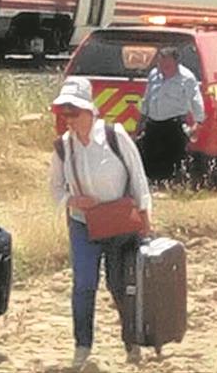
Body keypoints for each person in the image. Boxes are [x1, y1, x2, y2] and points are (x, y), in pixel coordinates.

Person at [50, 76, 152, 370]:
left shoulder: (114, 135)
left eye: (73, 111)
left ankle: (130, 341)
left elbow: (138, 178)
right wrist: (71, 201)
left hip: (119, 222)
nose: (68, 118)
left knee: (120, 285)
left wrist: (145, 216)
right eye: (64, 112)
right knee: (83, 284)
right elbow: (55, 189)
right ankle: (82, 346)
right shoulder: (62, 148)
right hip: (83, 224)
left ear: (90, 111)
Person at [137, 46, 205, 183]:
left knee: (173, 158)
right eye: (160, 64)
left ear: (176, 63)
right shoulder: (154, 75)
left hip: (174, 124)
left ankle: (171, 186)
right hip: (153, 123)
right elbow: (147, 98)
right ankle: (153, 184)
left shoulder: (187, 78)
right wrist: (141, 120)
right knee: (149, 155)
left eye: (167, 64)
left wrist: (198, 123)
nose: (163, 68)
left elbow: (196, 101)